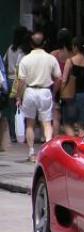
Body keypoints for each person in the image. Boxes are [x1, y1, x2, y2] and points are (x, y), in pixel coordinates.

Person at [15, 31, 61, 162]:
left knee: (30, 123)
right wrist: (54, 91)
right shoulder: (51, 58)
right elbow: (59, 77)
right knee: (47, 123)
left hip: (29, 91)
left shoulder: (25, 59)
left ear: (30, 44)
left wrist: (18, 96)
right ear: (44, 43)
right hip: (45, 91)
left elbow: (21, 81)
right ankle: (47, 149)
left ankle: (31, 152)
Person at [61, 37, 84, 137]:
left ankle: (73, 146)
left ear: (75, 47)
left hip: (72, 96)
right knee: (81, 126)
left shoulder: (70, 61)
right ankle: (80, 147)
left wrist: (61, 94)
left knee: (67, 124)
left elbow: (64, 79)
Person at [3, 26, 29, 142]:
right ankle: (23, 132)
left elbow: (4, 61)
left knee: (14, 109)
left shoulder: (10, 48)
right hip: (20, 79)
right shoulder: (24, 51)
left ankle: (14, 134)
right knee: (24, 107)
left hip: (10, 79)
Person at [50, 28, 73, 135]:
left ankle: (56, 140)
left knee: (56, 117)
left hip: (56, 89)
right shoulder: (74, 55)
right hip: (71, 89)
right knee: (69, 121)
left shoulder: (53, 55)